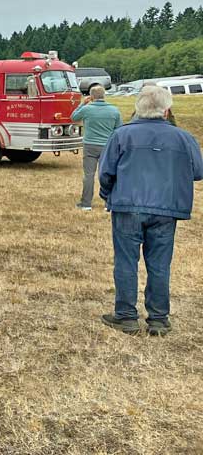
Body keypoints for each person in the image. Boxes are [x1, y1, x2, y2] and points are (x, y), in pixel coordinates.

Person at [98, 85, 203, 336]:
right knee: (159, 264)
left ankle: (126, 315)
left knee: (126, 261)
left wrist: (107, 194)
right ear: (166, 110)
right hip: (166, 207)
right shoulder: (184, 138)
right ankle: (158, 319)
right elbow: (198, 171)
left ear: (138, 108)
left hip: (127, 205)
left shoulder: (122, 135)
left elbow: (106, 172)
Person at [70, 85, 122, 210]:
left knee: (89, 175)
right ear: (104, 95)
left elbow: (74, 117)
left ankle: (86, 203)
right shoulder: (114, 110)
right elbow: (119, 129)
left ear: (91, 96)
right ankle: (108, 203)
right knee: (108, 175)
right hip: (107, 146)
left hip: (90, 145)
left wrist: (82, 103)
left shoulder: (87, 109)